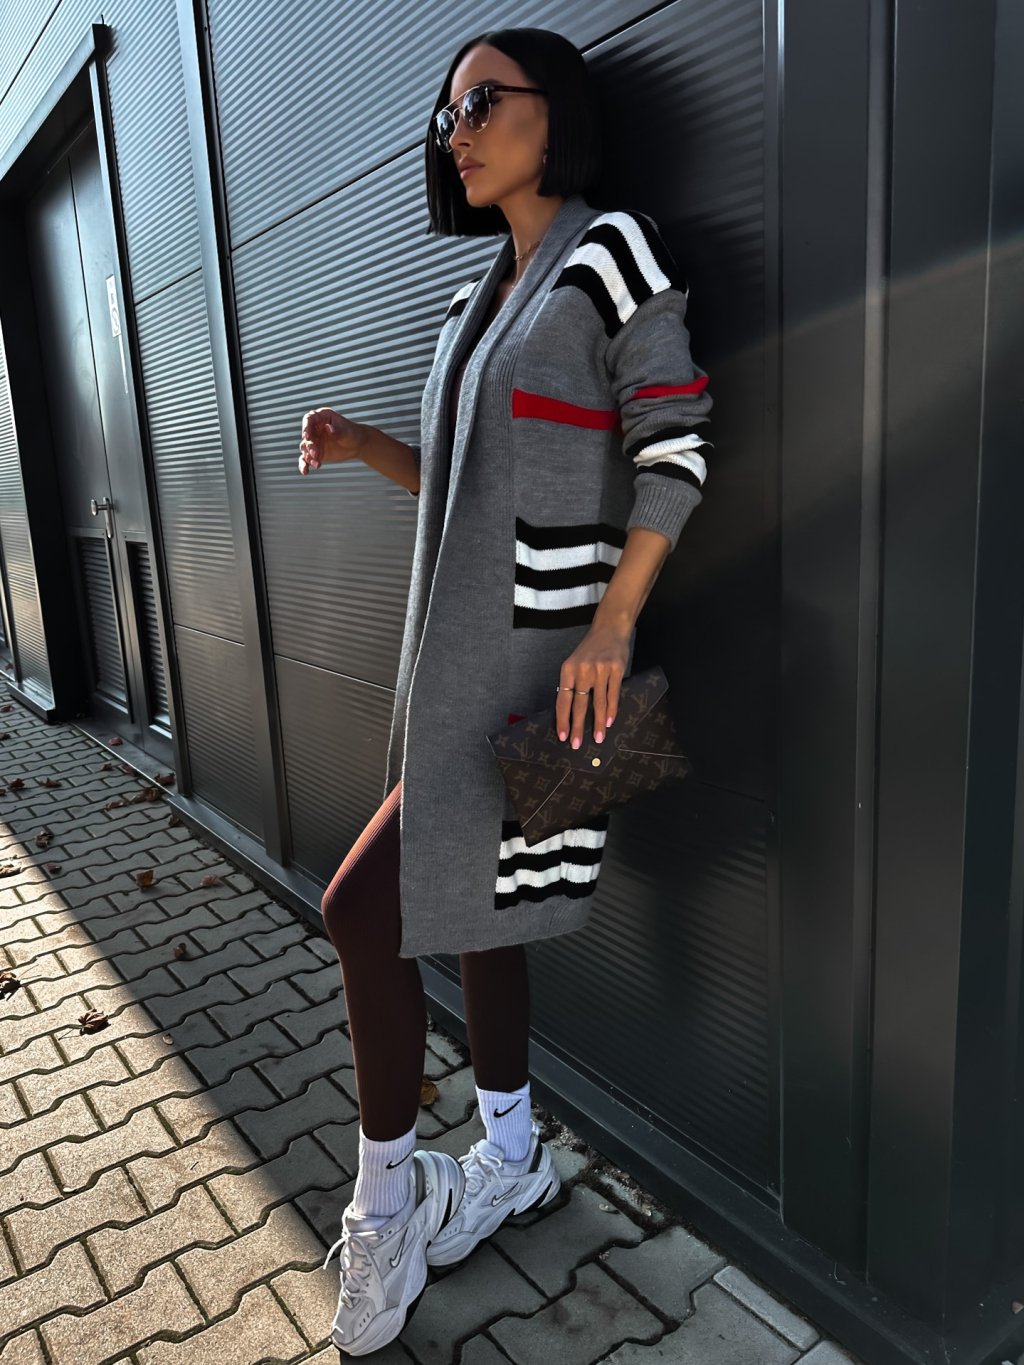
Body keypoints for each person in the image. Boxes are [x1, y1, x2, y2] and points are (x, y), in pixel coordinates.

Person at [297, 25, 712, 1357]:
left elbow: (676, 448)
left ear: (554, 111)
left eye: (481, 101)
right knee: (480, 919)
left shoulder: (609, 253)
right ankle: (516, 1154)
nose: (457, 130)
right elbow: (469, 486)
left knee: (359, 908)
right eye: (447, 114)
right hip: (452, 671)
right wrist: (369, 445)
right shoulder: (476, 300)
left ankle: (386, 1206)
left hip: (543, 679)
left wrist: (613, 625)